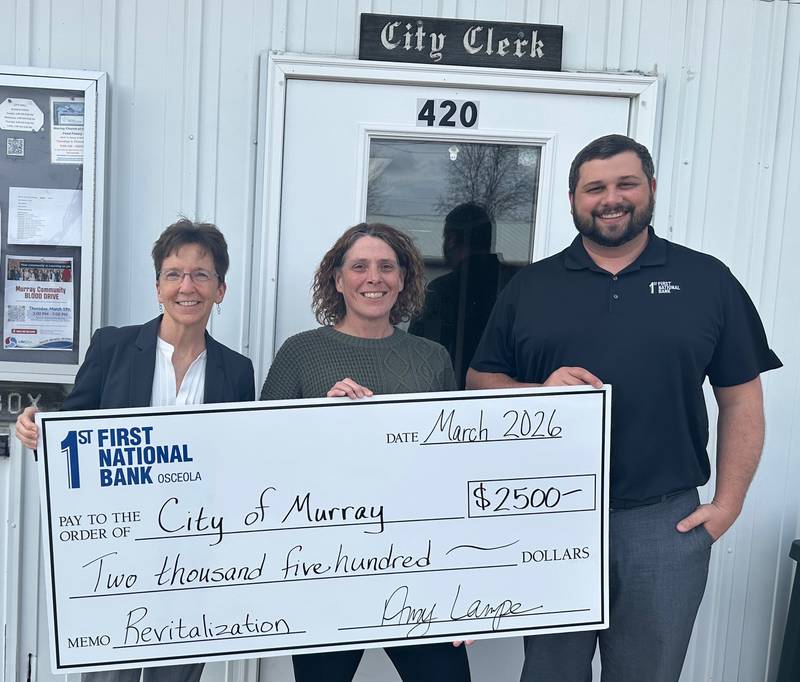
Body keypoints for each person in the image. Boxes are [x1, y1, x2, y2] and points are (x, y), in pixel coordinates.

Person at [466, 134, 782, 682]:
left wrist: (727, 504)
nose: (611, 198)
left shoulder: (707, 281)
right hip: (552, 517)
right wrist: (538, 391)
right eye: (595, 188)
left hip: (663, 522)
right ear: (573, 200)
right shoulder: (531, 286)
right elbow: (480, 381)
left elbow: (741, 396)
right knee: (550, 673)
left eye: (625, 183)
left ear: (651, 189)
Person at [16, 219, 255, 682]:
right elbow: (73, 439)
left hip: (194, 560)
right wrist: (38, 432)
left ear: (220, 289)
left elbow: (240, 464)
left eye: (201, 275)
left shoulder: (237, 370)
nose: (187, 287)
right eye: (174, 274)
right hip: (114, 555)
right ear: (158, 286)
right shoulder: (113, 347)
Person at [260, 222, 470, 682]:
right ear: (337, 279)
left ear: (404, 278)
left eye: (386, 267)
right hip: (324, 566)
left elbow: (451, 470)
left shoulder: (432, 358)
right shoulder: (301, 354)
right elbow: (262, 459)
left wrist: (465, 585)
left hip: (417, 563)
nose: (373, 278)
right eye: (359, 266)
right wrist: (320, 418)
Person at [409, 202, 519, 388]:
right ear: (489, 240)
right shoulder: (518, 284)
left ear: (451, 240)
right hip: (512, 407)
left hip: (447, 405)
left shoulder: (441, 291)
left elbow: (417, 355)